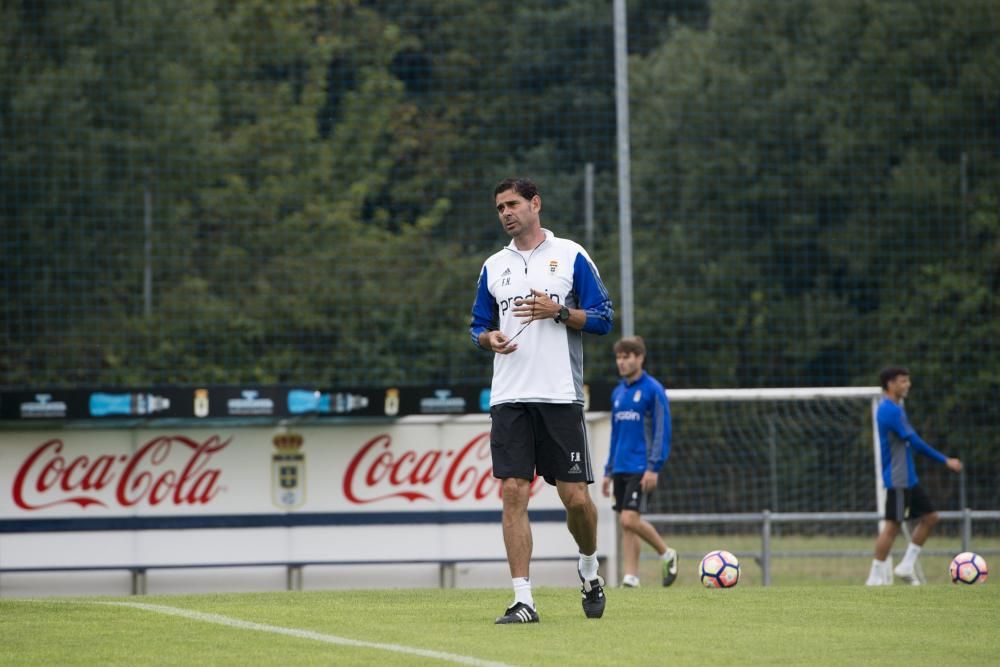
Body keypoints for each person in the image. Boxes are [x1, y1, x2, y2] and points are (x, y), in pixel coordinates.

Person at [469, 177, 614, 624]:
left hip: (559, 395)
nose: (505, 213)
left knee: (575, 499)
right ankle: (523, 598)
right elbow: (478, 325)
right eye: (499, 208)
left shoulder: (570, 255)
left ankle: (588, 566)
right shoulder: (493, 265)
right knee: (513, 492)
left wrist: (560, 312)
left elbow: (605, 319)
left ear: (536, 204)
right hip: (509, 396)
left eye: (512, 204)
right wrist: (486, 338)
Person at [865, 366, 962, 586]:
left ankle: (906, 565)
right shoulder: (889, 410)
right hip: (898, 479)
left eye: (907, 381)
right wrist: (945, 460)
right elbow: (915, 441)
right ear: (890, 384)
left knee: (931, 517)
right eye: (902, 381)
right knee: (892, 526)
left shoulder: (897, 407)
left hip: (909, 478)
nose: (907, 385)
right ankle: (874, 577)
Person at [601, 336, 678, 588]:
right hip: (621, 467)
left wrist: (653, 467)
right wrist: (608, 471)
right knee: (626, 524)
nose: (621, 362)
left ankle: (666, 553)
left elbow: (661, 431)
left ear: (640, 358)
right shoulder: (618, 392)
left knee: (629, 520)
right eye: (619, 357)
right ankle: (631, 577)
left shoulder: (653, 390)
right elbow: (615, 434)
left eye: (627, 357)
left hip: (641, 467)